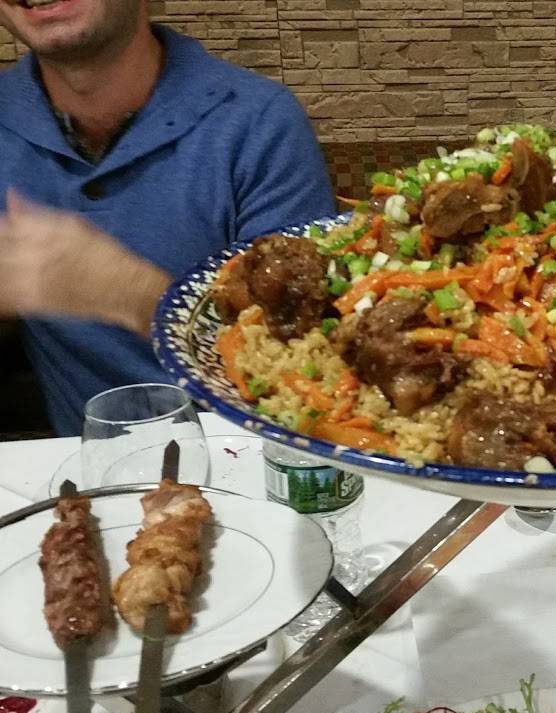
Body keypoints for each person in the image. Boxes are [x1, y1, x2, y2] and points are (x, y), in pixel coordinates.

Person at [0, 0, 337, 435]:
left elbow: (304, 363)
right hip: (77, 462)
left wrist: (131, 292)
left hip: (250, 452)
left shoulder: (259, 122)